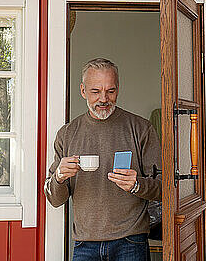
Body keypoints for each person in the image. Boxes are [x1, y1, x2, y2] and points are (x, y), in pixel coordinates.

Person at [44, 58, 162, 261]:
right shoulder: (67, 134)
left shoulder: (141, 129)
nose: (103, 99)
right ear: (83, 91)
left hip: (131, 241)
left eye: (110, 91)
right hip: (85, 244)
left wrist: (137, 185)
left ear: (118, 89)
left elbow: (164, 189)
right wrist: (60, 176)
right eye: (95, 91)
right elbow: (55, 199)